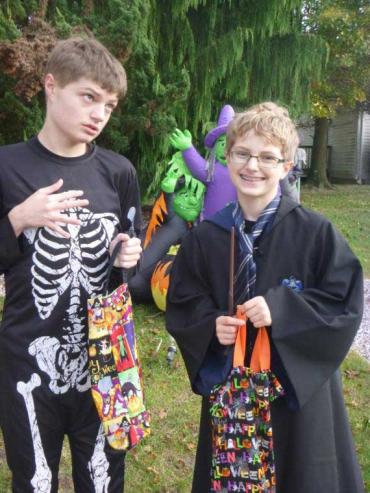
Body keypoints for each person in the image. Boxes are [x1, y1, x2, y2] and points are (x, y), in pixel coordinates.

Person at [166, 102, 364, 493]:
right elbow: (184, 300)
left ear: (287, 166)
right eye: (242, 153)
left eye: (267, 157)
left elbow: (344, 302)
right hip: (232, 389)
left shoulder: (315, 234)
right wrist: (210, 326)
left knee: (300, 475)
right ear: (229, 155)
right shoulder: (206, 237)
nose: (252, 166)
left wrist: (283, 309)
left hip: (297, 397)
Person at [0, 37, 142, 492]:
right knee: (33, 481)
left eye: (110, 104)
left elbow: (127, 263)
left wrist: (129, 257)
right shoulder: (6, 167)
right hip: (28, 362)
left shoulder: (119, 172)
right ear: (50, 85)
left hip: (108, 357)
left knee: (105, 481)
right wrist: (19, 220)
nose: (99, 114)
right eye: (89, 97)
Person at [169, 104, 237, 220]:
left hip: (237, 227)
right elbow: (199, 167)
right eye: (221, 142)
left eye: (229, 142)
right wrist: (187, 148)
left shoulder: (244, 171)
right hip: (209, 223)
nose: (225, 148)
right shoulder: (212, 171)